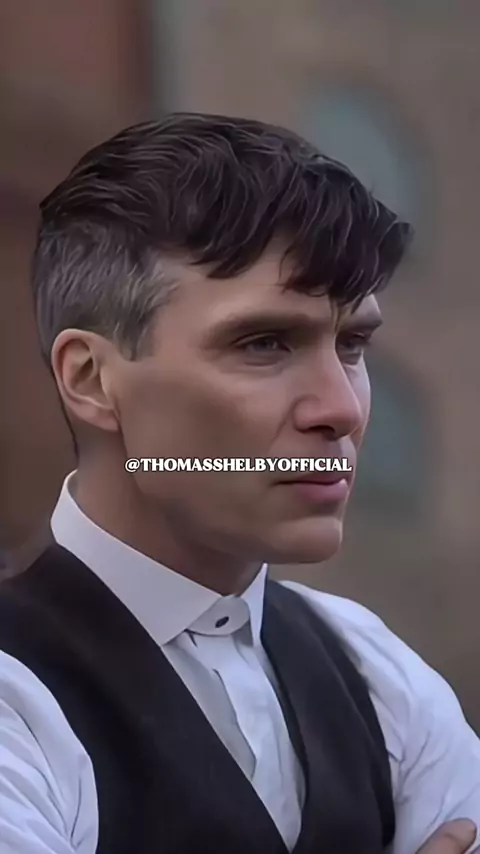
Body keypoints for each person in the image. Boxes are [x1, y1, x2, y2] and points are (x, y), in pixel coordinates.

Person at [0, 114, 479, 854]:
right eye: (264, 344)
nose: (343, 409)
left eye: (353, 344)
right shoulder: (16, 688)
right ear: (91, 379)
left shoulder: (377, 673)